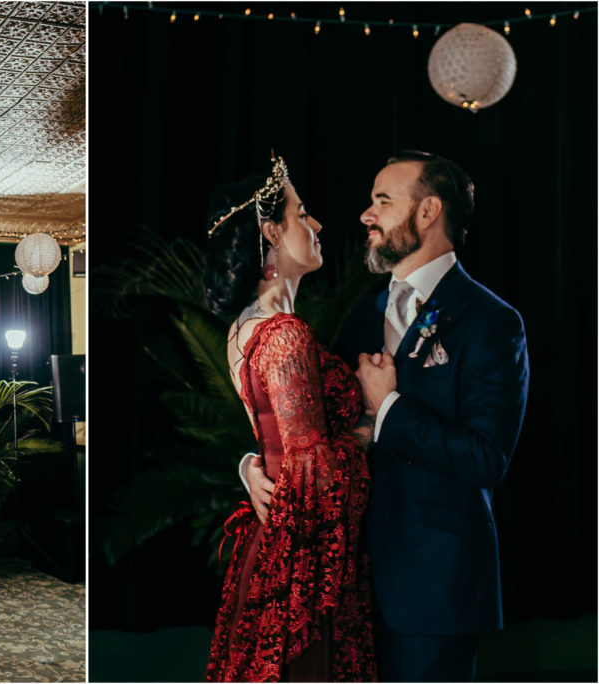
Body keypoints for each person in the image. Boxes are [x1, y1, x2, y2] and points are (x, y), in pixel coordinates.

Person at [246, 151, 530, 681]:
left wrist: (390, 408)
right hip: (349, 584)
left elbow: (487, 458)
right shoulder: (366, 312)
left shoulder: (492, 322)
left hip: (433, 591)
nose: (365, 215)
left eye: (382, 201)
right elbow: (312, 419)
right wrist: (252, 463)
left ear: (427, 212)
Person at [203, 154, 378, 682]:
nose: (317, 224)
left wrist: (249, 464)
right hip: (302, 558)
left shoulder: (244, 327)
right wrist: (373, 418)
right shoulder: (285, 334)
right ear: (271, 232)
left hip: (277, 538)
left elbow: (274, 440)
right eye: (303, 213)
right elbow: (316, 476)